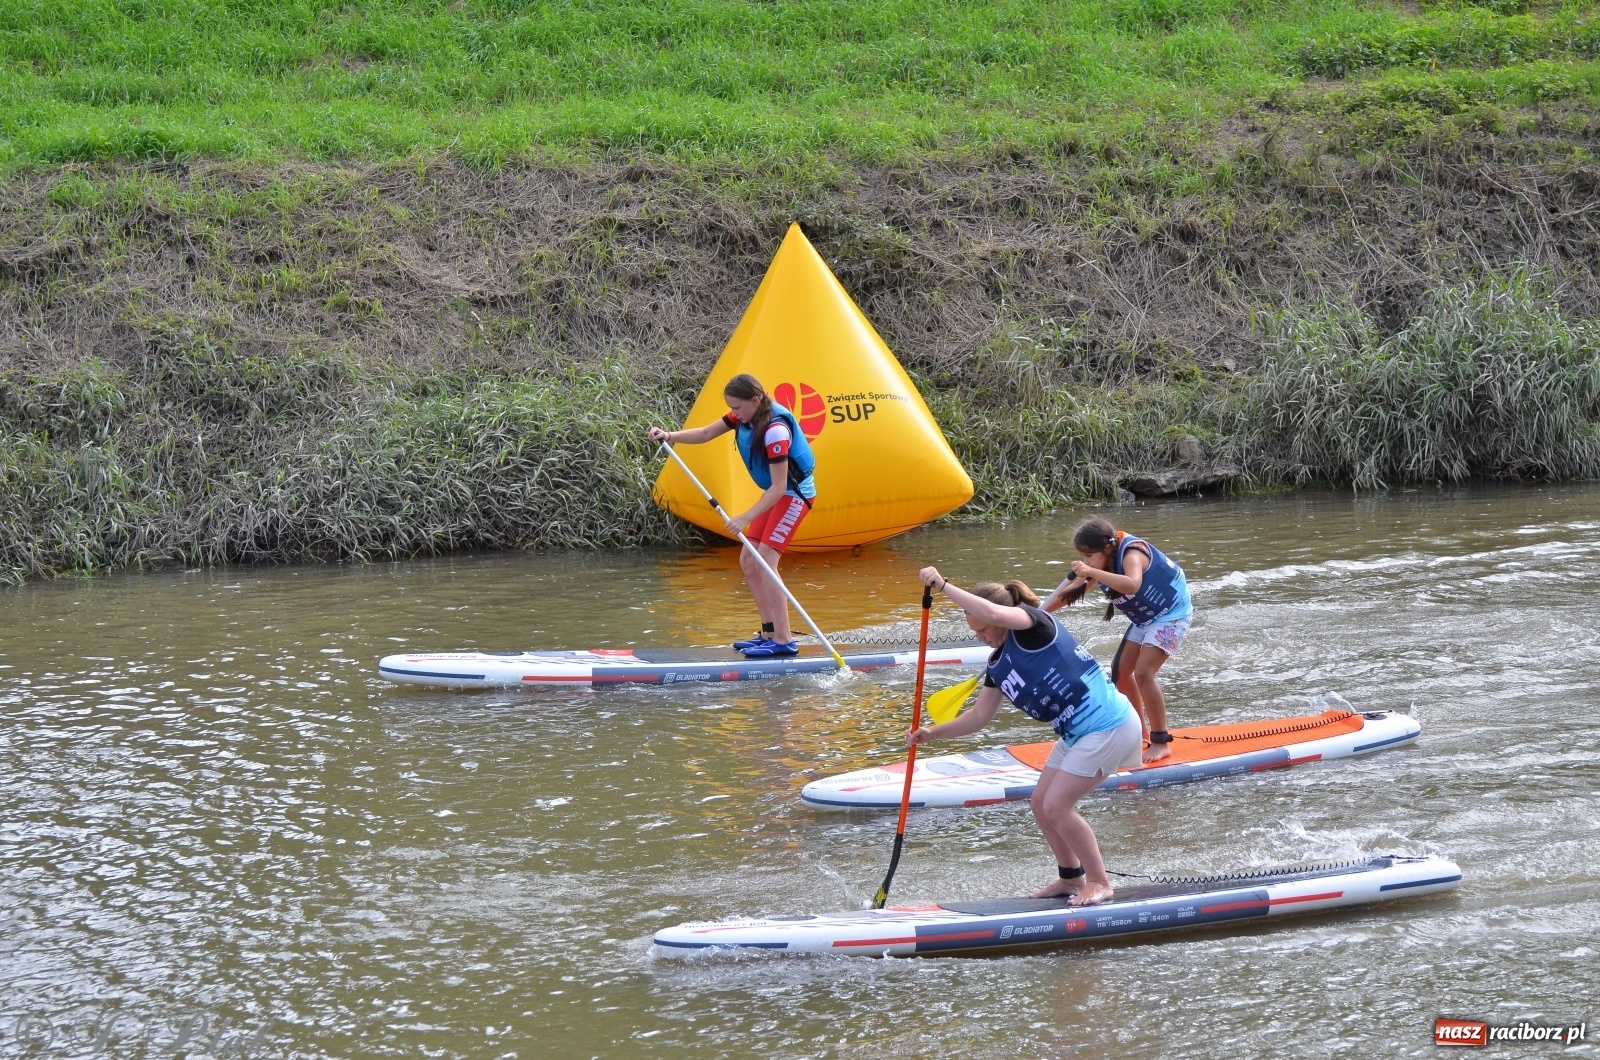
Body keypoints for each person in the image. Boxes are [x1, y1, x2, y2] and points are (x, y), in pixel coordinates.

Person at [908, 567, 1141, 906]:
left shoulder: (1033, 625)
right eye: (974, 630)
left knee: (1058, 807)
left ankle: (1100, 882)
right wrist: (930, 734)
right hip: (1077, 732)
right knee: (1040, 805)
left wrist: (944, 585)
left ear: (1000, 618)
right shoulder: (997, 666)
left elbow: (989, 611)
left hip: (1108, 723)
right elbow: (978, 717)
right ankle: (1069, 878)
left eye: (983, 629)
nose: (980, 635)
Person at [647, 374, 817, 657]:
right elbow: (704, 434)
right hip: (776, 495)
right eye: (731, 408)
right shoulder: (746, 415)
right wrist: (669, 436)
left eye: (736, 407)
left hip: (793, 496)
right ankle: (768, 632)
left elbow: (778, 487)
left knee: (766, 562)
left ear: (755, 400)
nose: (733, 413)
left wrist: (745, 517)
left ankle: (784, 641)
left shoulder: (775, 431)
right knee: (749, 560)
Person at [1042, 517, 1192, 763]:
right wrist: (1042, 613)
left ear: (1107, 549)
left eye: (1089, 556)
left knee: (1144, 673)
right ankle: (1139, 736)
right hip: (1145, 617)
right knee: (1120, 672)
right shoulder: (1102, 564)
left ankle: (1160, 741)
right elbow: (1069, 594)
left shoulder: (1132, 553)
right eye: (1084, 557)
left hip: (1171, 614)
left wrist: (1091, 571)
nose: (1086, 561)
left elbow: (1132, 585)